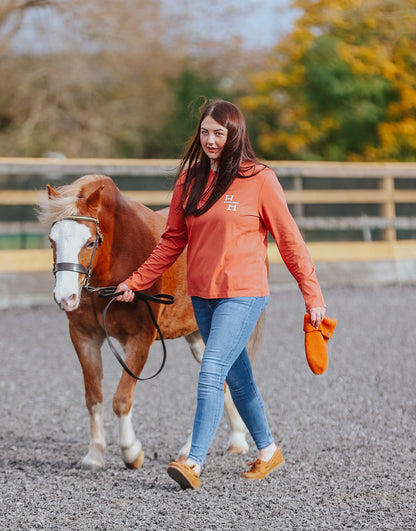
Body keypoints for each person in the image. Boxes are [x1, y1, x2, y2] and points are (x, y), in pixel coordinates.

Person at [115, 99, 326, 490]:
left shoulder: (259, 179)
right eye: (205, 132)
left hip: (244, 293)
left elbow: (290, 241)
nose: (211, 140)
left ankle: (192, 462)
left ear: (235, 134)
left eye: (219, 133)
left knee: (211, 371)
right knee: (237, 377)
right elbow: (172, 240)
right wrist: (136, 281)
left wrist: (312, 295)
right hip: (203, 295)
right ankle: (267, 451)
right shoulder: (189, 180)